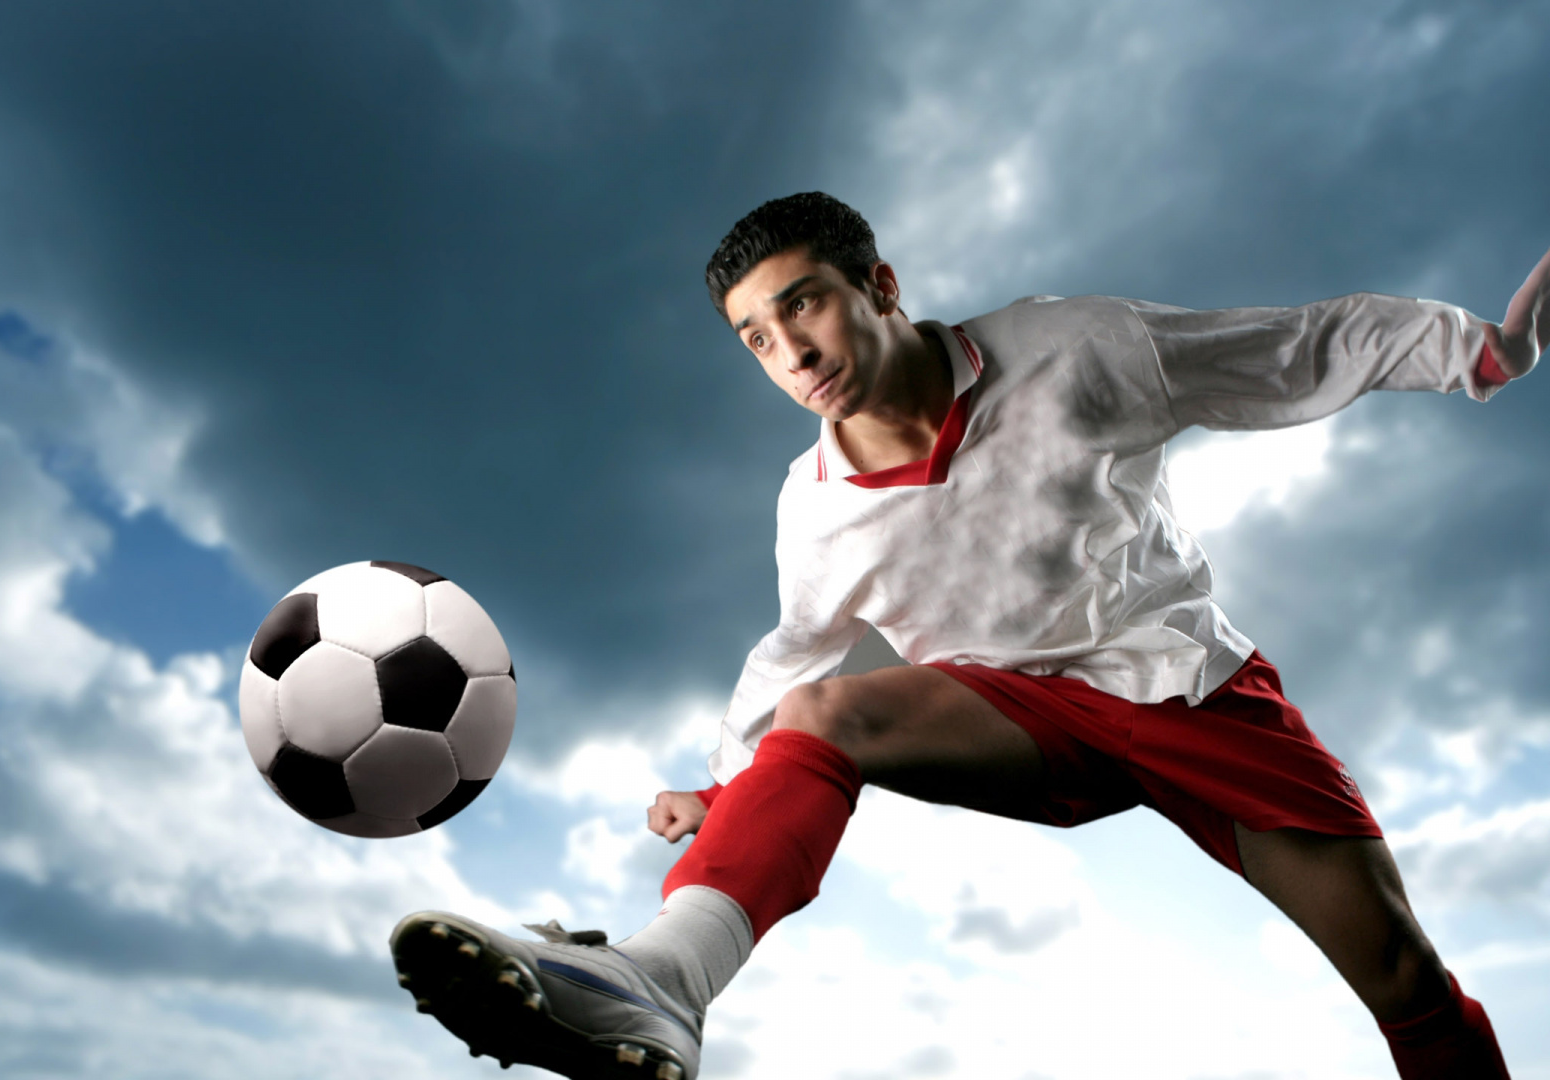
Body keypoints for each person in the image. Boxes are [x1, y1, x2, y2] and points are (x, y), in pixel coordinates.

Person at [391, 192, 1543, 1080]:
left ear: (879, 284)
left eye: (804, 302)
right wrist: (727, 785)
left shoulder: (1074, 348)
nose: (788, 350)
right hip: (1013, 718)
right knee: (828, 713)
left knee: (1401, 973)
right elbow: (795, 654)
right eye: (753, 336)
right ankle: (660, 980)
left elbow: (1287, 346)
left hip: (1187, 686)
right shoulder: (815, 504)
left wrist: (1478, 353)